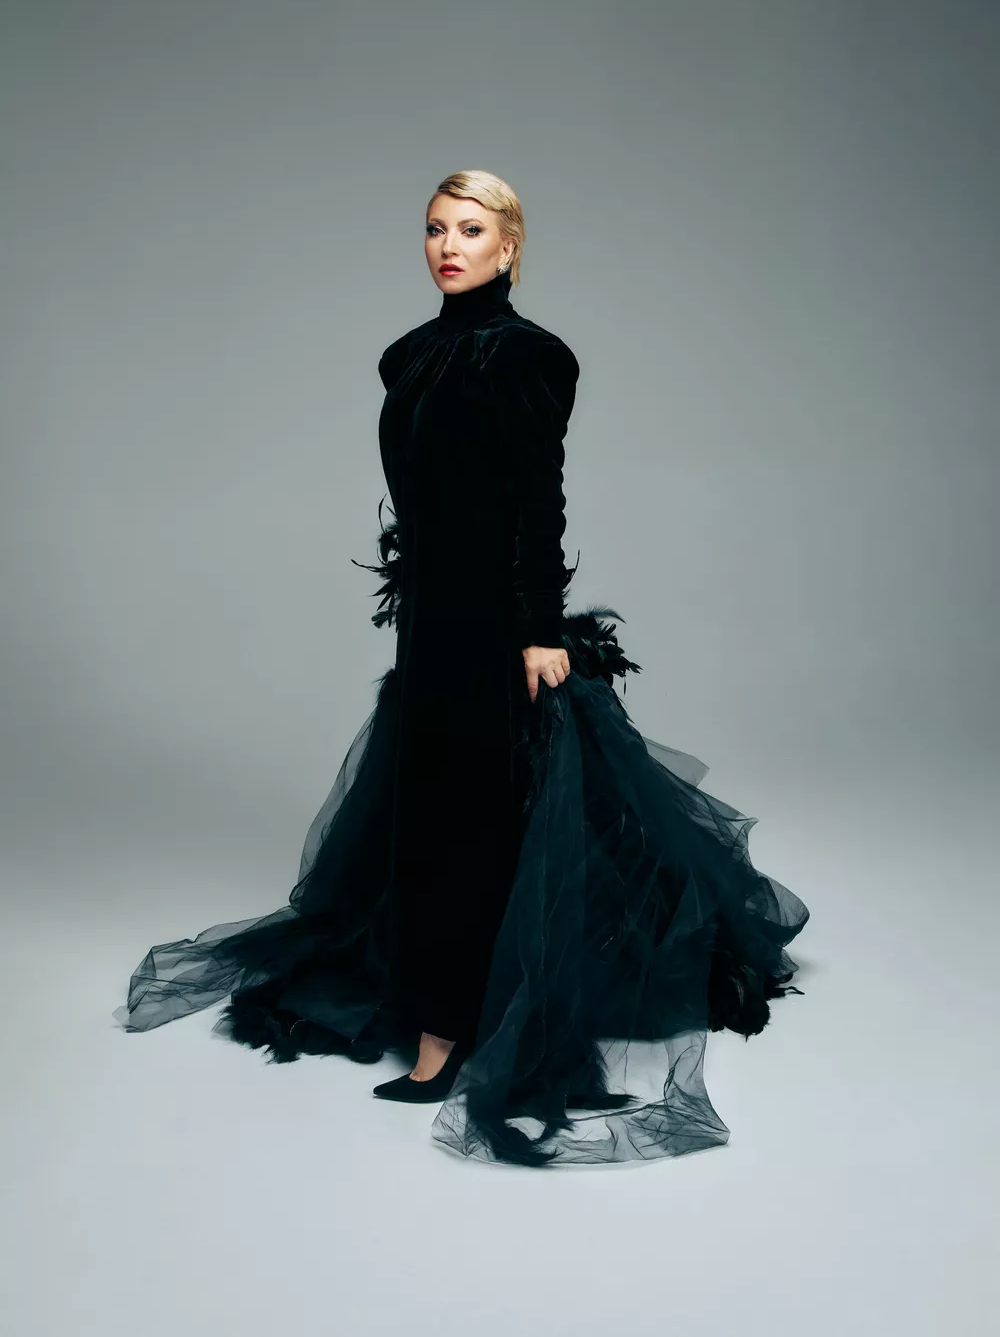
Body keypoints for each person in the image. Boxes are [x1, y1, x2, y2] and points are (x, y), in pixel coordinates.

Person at [114, 168, 810, 1168]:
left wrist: (538, 630)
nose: (449, 245)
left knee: (479, 820)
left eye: (472, 230)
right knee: (431, 811)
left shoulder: (532, 357)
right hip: (431, 620)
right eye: (437, 228)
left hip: (495, 622)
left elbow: (538, 501)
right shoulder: (406, 356)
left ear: (509, 247)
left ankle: (453, 1030)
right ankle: (443, 1001)